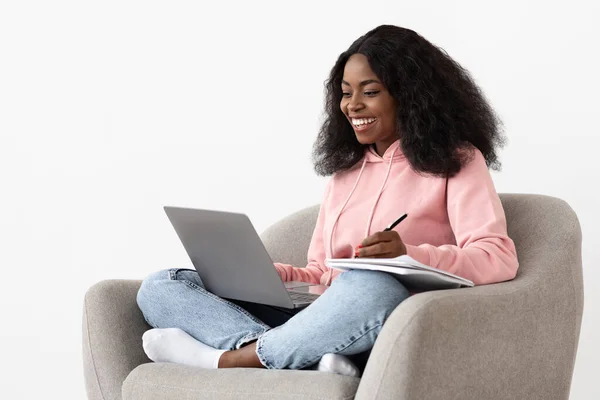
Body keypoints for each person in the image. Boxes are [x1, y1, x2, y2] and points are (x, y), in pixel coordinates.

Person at [136, 25, 519, 377]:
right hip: (321, 312)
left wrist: (410, 254)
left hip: (382, 310)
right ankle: (307, 356)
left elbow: (497, 256)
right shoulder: (346, 172)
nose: (352, 105)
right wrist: (274, 277)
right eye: (346, 93)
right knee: (162, 284)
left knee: (372, 285)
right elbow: (321, 274)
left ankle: (229, 359)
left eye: (369, 92)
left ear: (411, 97)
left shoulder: (458, 160)